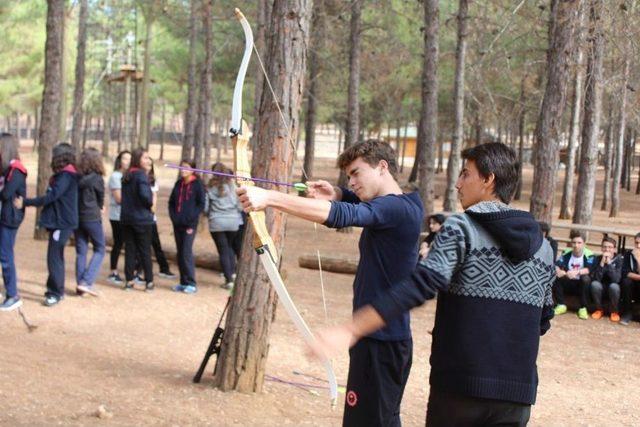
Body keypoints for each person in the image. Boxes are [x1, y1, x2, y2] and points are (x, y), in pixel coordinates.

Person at [306, 142, 555, 427]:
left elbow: (421, 284)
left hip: (459, 388)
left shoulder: (461, 228)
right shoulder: (544, 247)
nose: (458, 184)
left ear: (489, 180)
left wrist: (351, 328)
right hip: (517, 396)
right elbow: (543, 320)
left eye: (465, 174)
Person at [238, 139, 423, 427]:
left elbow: (349, 214)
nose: (352, 181)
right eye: (348, 176)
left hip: (382, 343)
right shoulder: (405, 204)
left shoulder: (397, 209)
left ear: (382, 167)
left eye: (356, 173)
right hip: (377, 339)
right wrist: (337, 192)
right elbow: (360, 205)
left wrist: (270, 198)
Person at [17, 143, 79, 307]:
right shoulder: (65, 175)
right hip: (61, 221)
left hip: (62, 223)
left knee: (54, 258)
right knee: (56, 257)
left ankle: (55, 292)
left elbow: (51, 197)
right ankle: (57, 290)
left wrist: (26, 202)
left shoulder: (66, 176)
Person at [205, 162, 244, 290]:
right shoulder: (233, 186)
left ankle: (229, 279)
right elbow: (239, 205)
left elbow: (206, 208)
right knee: (230, 248)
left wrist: (210, 214)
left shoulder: (210, 187)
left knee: (223, 250)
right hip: (233, 222)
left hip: (217, 222)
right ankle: (232, 274)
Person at [168, 159, 205, 294]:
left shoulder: (197, 184)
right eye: (182, 167)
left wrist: (190, 220)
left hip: (190, 225)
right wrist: (174, 217)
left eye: (186, 167)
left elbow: (201, 204)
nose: (183, 170)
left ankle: (191, 283)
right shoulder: (178, 183)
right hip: (177, 224)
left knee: (186, 252)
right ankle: (183, 282)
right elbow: (171, 202)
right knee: (180, 253)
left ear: (193, 170)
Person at [120, 148, 154, 292]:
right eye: (145, 158)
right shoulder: (141, 176)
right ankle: (149, 281)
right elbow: (146, 197)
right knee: (145, 250)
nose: (148, 161)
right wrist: (150, 202)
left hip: (127, 219)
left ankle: (129, 280)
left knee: (130, 250)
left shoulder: (127, 175)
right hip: (141, 219)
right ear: (138, 159)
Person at [0, 133, 27, 311]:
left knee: (5, 256)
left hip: (10, 219)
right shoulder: (6, 169)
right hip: (3, 217)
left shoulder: (16, 170)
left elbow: (6, 194)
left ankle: (13, 294)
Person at [75, 147, 106, 297]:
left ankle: (81, 284)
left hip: (78, 217)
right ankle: (86, 282)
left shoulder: (76, 177)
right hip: (92, 217)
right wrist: (101, 206)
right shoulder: (97, 178)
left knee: (81, 251)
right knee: (100, 248)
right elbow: (100, 197)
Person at [553, 229, 594, 319]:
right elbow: (556, 265)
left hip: (581, 284)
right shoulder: (566, 253)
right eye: (574, 243)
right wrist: (559, 271)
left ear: (584, 243)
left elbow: (589, 269)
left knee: (586, 279)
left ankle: (583, 308)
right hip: (568, 282)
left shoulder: (589, 254)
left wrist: (576, 272)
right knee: (556, 276)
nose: (576, 245)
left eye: (579, 243)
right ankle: (561, 305)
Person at [145, 159, 176, 280]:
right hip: (140, 218)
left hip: (150, 218)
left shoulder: (153, 181)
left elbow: (154, 202)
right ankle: (139, 268)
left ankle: (164, 268)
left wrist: (151, 210)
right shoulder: (136, 178)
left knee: (156, 244)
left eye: (149, 165)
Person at [107, 150, 131, 284]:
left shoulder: (130, 176)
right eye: (124, 159)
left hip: (128, 215)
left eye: (129, 159)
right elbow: (118, 198)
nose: (127, 161)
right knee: (118, 242)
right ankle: (113, 271)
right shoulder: (116, 177)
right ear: (119, 161)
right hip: (117, 216)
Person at [590, 237, 623, 322]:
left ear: (614, 249)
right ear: (601, 248)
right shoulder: (597, 259)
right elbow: (596, 278)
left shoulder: (619, 260)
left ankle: (614, 311)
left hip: (614, 288)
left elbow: (616, 279)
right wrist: (601, 264)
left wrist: (609, 264)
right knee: (595, 285)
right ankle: (599, 309)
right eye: (604, 247)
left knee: (614, 286)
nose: (607, 249)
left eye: (610, 247)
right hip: (601, 287)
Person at [620, 232, 640, 325]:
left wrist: (638, 260)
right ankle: (627, 313)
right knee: (626, 282)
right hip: (632, 284)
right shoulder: (629, 254)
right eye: (636, 243)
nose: (638, 246)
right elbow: (625, 273)